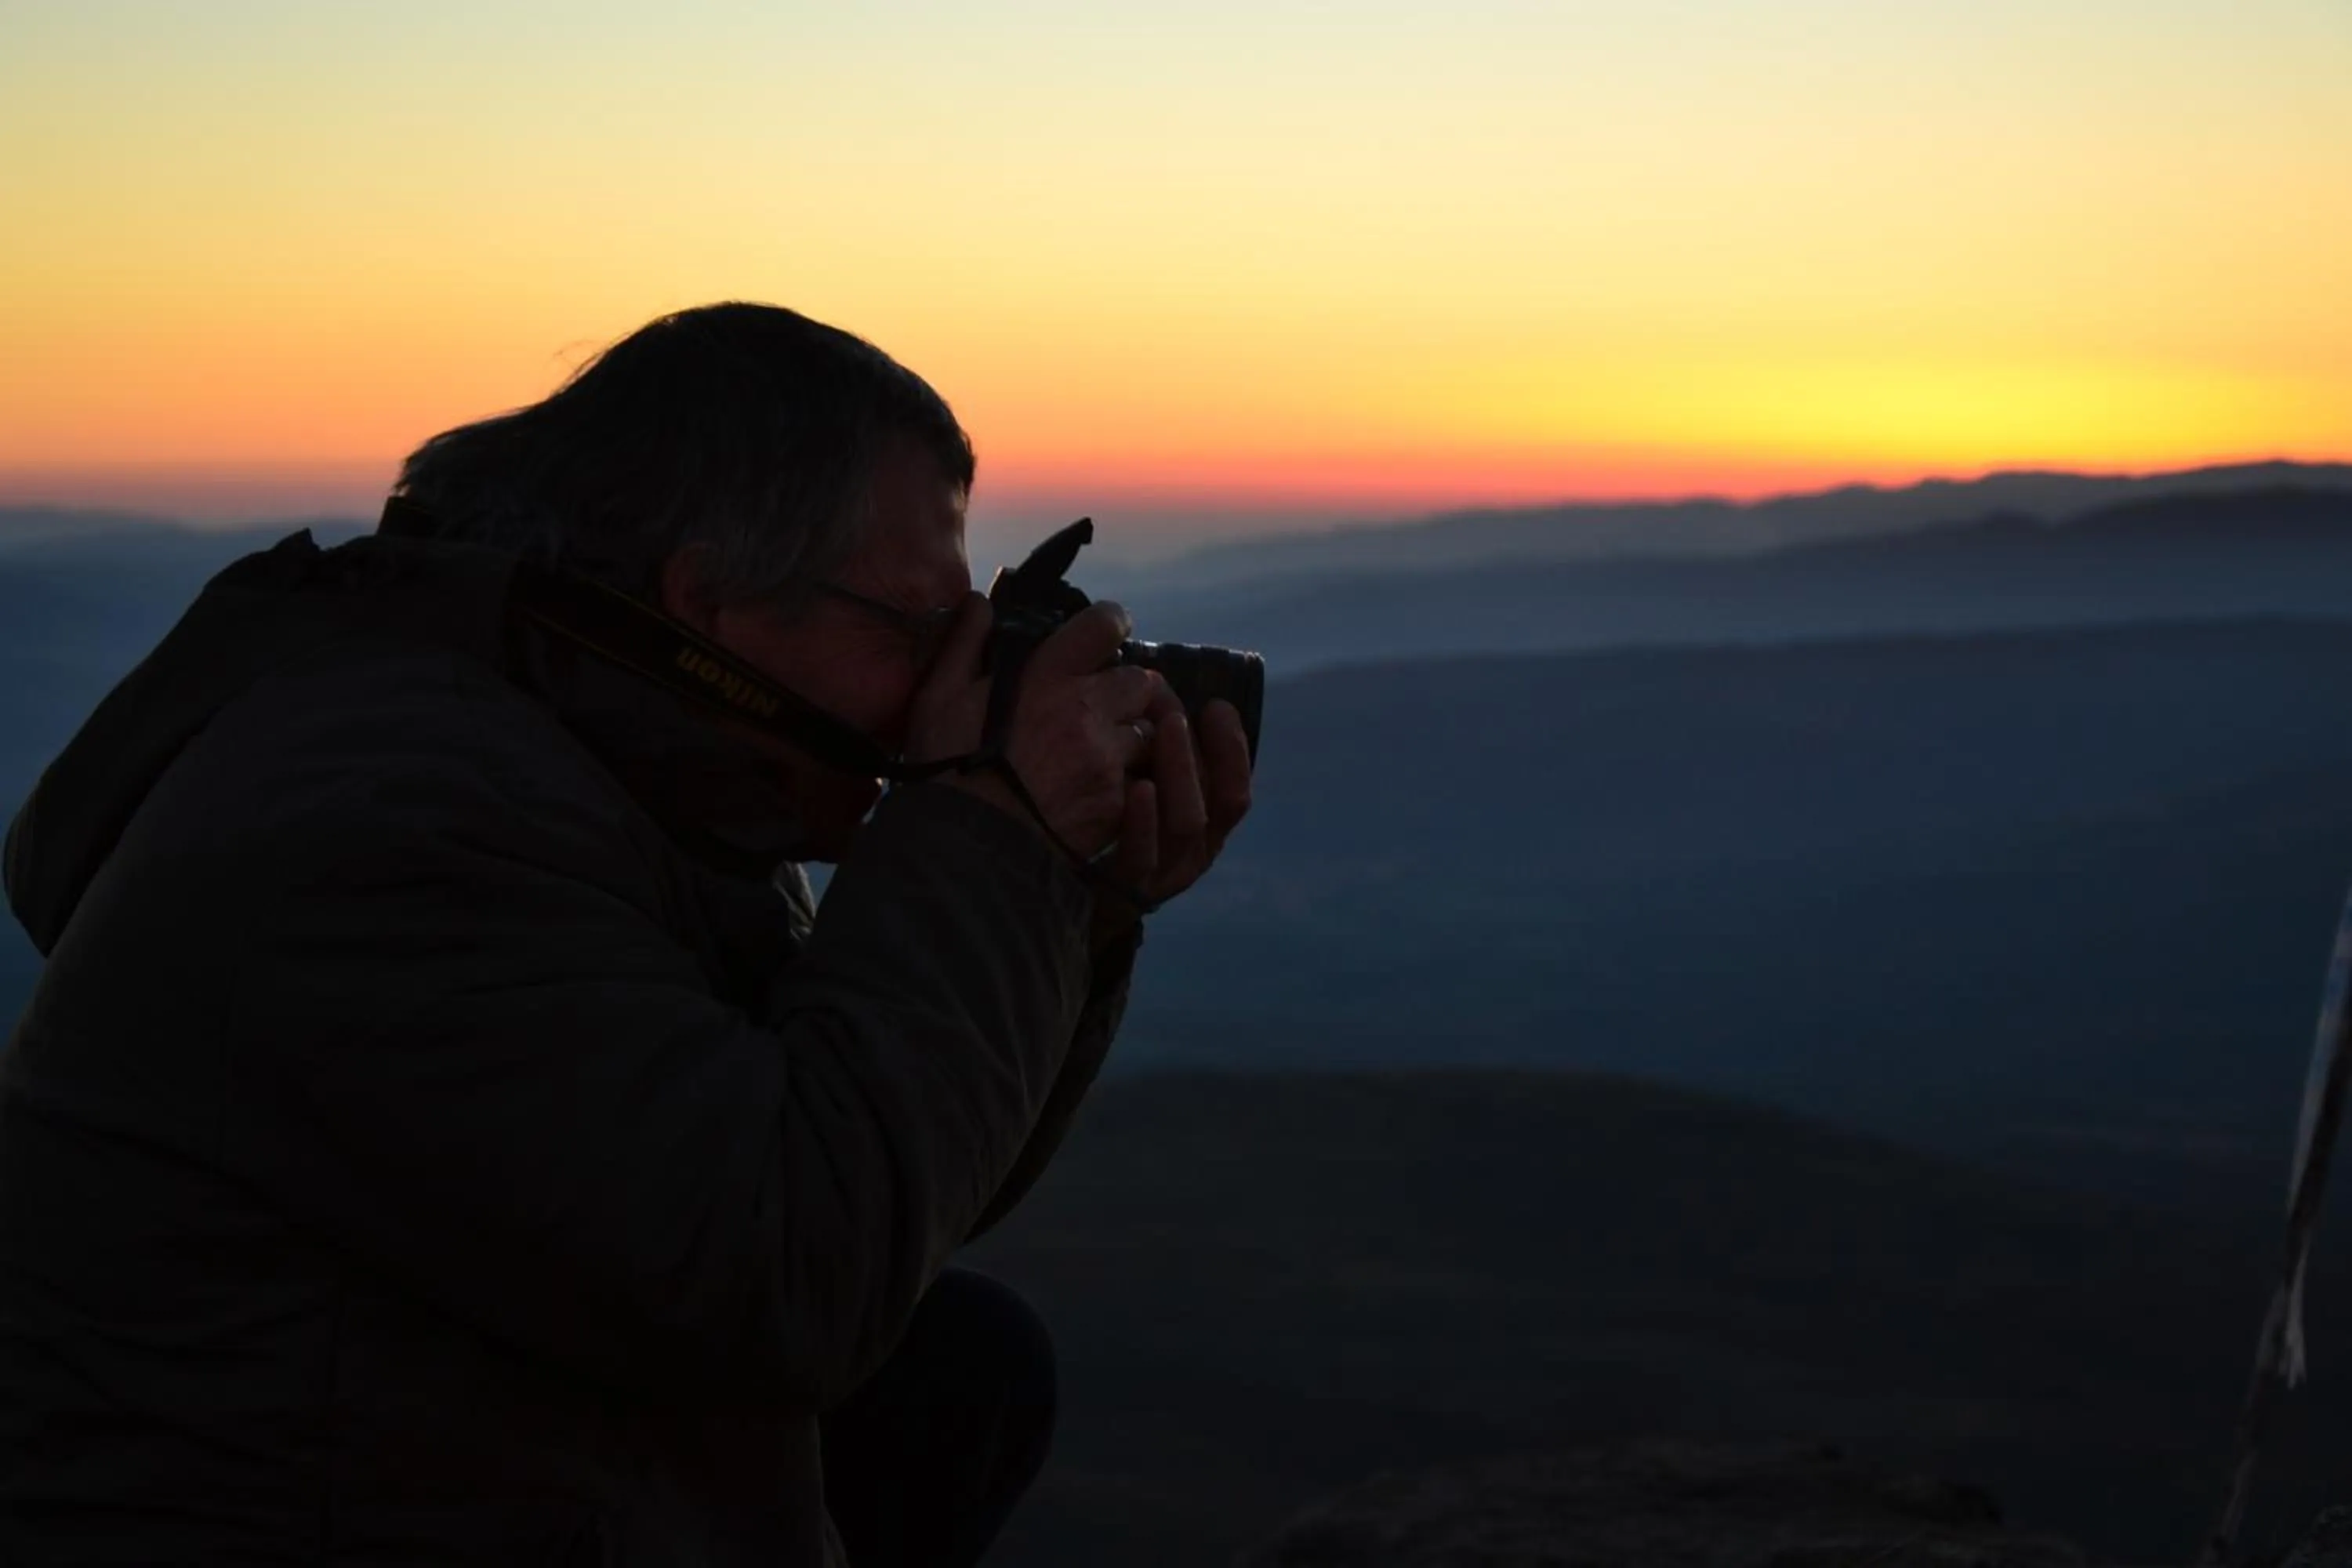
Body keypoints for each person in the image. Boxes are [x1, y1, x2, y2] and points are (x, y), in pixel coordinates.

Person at [0, 302, 1253, 1566]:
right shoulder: (394, 820)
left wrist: (1065, 898)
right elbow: (791, 1281)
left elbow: (895, 1198)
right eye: (922, 634)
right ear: (707, 600)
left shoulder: (617, 774)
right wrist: (991, 826)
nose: (949, 687)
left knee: (963, 1367)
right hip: (287, 1516)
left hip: (444, 1441)